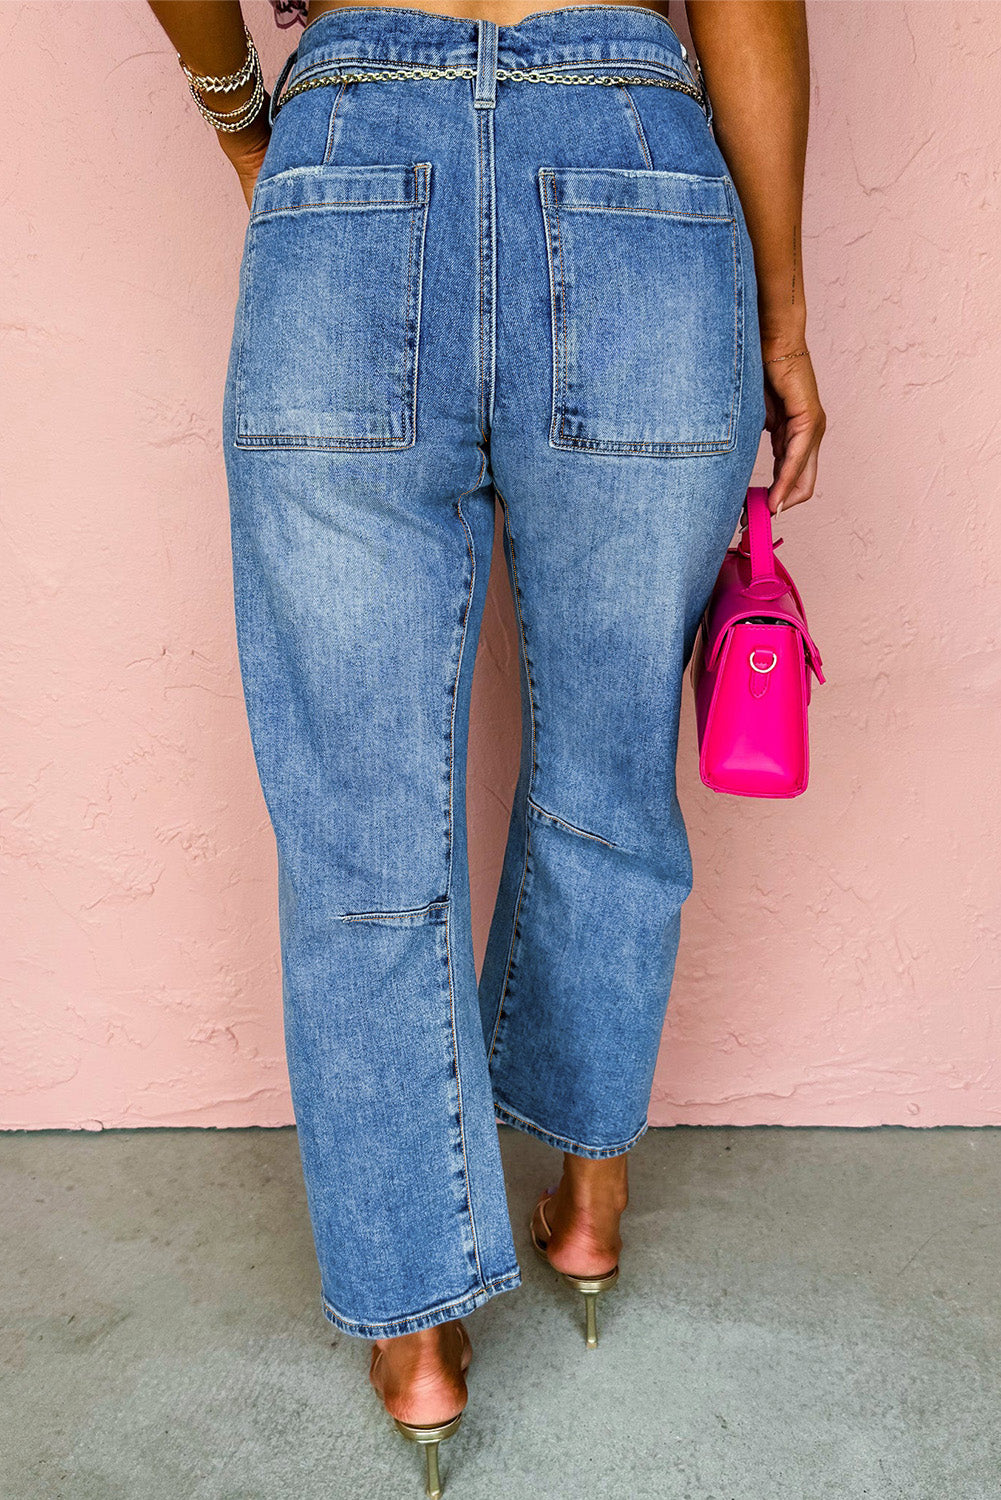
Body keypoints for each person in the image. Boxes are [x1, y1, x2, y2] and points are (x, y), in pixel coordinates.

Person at [147, 0, 825, 1492]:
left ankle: (415, 1346)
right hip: (635, 174)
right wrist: (777, 306)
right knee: (607, 762)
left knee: (355, 829)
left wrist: (239, 111)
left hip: (346, 169)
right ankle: (586, 1199)